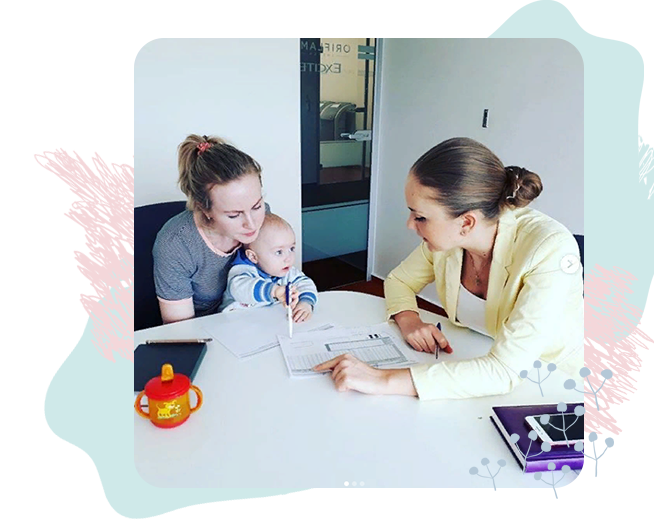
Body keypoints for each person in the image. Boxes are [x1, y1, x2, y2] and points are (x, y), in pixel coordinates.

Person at [313, 137, 583, 400]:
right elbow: (399, 281)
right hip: (479, 357)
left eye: (420, 217)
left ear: (466, 222)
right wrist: (409, 320)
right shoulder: (450, 241)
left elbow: (504, 371)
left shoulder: (549, 248)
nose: (409, 224)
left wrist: (382, 379)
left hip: (556, 385)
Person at [152, 134, 268, 324]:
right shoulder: (175, 244)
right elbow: (180, 331)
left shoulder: (266, 218)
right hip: (204, 331)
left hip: (253, 321)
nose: (252, 223)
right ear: (204, 209)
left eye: (256, 206)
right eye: (234, 215)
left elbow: (282, 275)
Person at [218, 213, 318, 322]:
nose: (288, 258)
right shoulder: (242, 270)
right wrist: (274, 291)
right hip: (234, 323)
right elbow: (239, 289)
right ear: (253, 257)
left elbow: (305, 283)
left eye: (291, 249)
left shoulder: (286, 270)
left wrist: (306, 303)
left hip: (265, 322)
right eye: (279, 252)